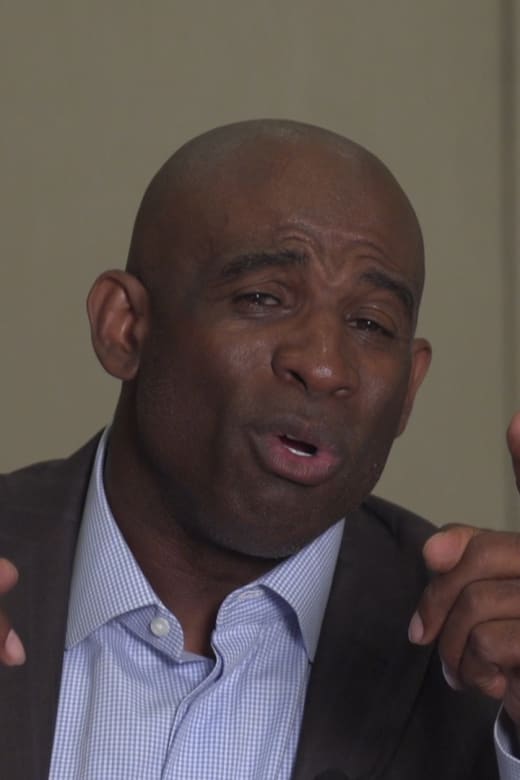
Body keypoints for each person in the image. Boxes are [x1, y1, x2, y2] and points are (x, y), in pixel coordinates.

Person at [0, 119, 519, 779]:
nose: (325, 366)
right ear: (124, 328)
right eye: (263, 298)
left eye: (370, 323)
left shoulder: (484, 664)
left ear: (409, 388)